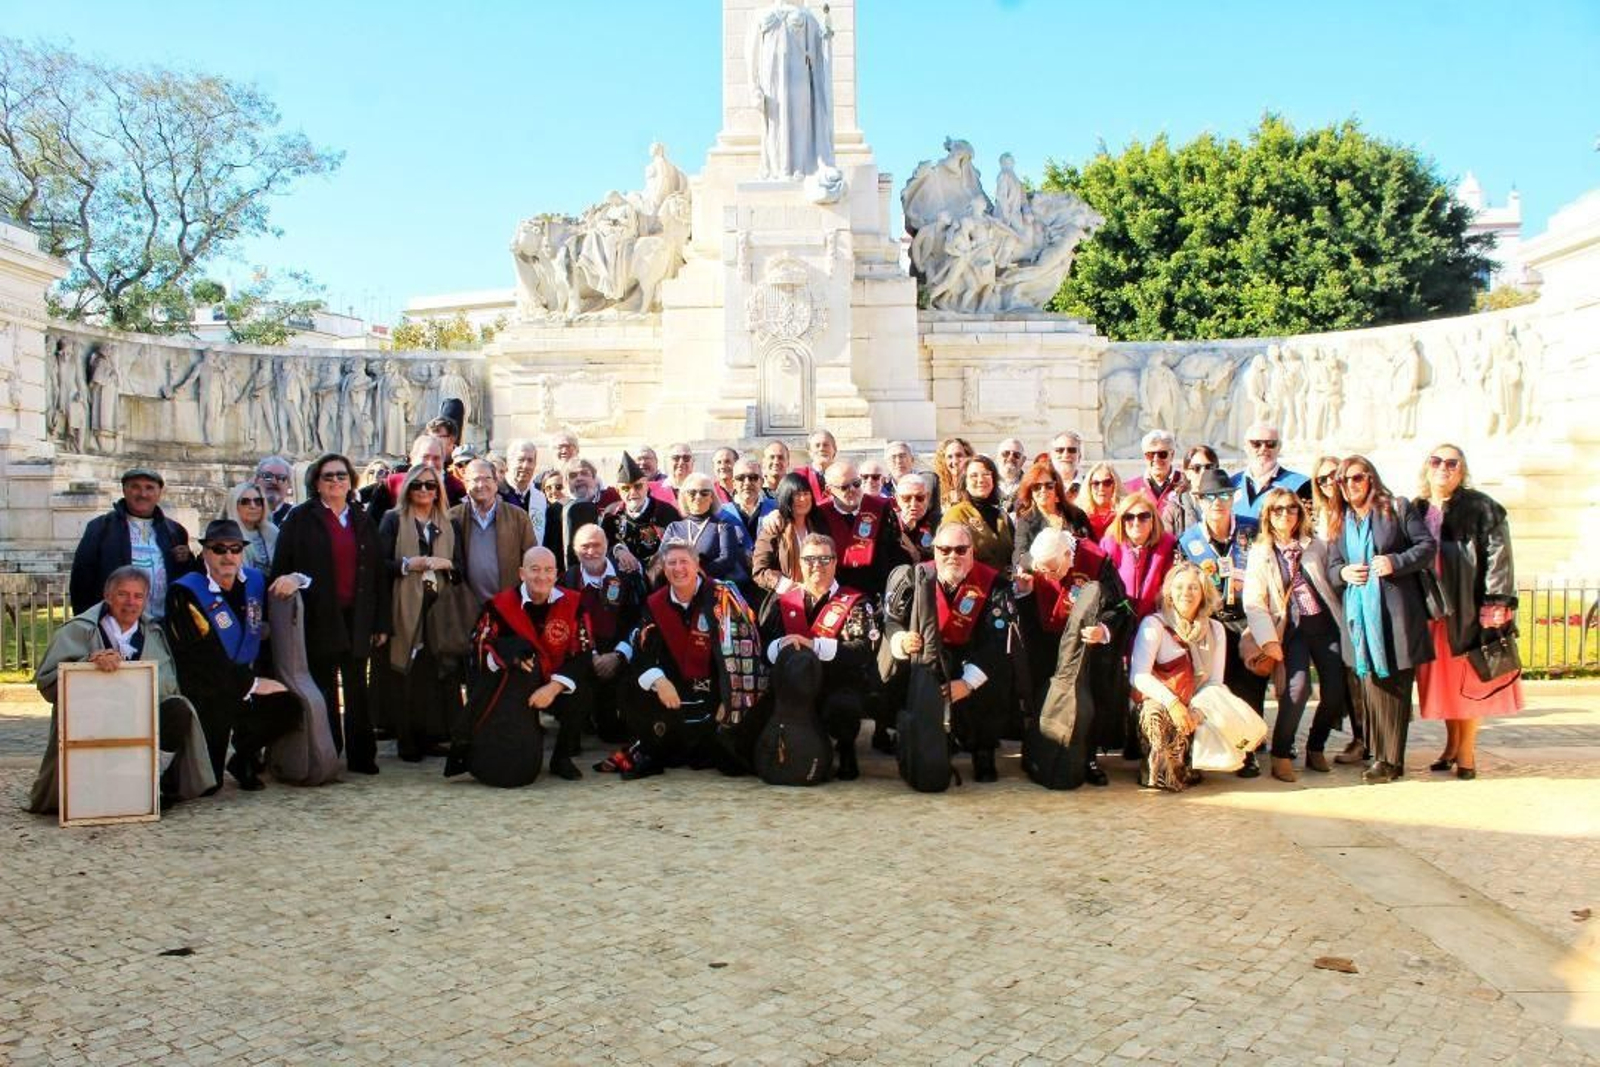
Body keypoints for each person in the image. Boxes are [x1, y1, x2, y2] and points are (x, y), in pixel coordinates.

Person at [26, 566, 215, 814]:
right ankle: (93, 788)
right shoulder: (80, 630)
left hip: (141, 717)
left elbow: (168, 685)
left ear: (146, 600)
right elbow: (48, 684)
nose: (130, 603)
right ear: (107, 596)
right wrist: (88, 664)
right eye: (122, 594)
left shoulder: (155, 633)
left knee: (178, 710)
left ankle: (149, 780)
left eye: (138, 596)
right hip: (95, 718)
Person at [270, 452, 384, 775]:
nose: (336, 482)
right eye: (328, 477)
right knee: (324, 688)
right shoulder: (300, 518)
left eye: (342, 476)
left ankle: (362, 756)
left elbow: (377, 575)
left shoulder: (362, 519)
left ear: (351, 482)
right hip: (319, 617)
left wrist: (381, 622)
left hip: (358, 616)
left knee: (357, 689)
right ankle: (327, 752)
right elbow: (284, 568)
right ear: (316, 483)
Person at [166, 520, 299, 791]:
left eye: (235, 549)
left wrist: (295, 578)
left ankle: (244, 757)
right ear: (205, 552)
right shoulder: (185, 591)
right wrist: (250, 684)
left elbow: (288, 593)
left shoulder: (255, 581)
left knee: (289, 706)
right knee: (208, 785)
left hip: (243, 677)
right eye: (219, 549)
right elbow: (198, 653)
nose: (228, 556)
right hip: (207, 688)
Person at [1414, 444, 1522, 780]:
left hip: (1469, 608)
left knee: (1468, 682)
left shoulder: (1481, 507)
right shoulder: (1416, 509)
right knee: (1445, 683)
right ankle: (1450, 744)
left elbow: (1499, 556)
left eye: (1452, 463)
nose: (1443, 468)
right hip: (1432, 610)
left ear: (1462, 470)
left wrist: (1497, 601)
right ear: (1426, 467)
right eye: (1436, 461)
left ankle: (1467, 752)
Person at [1327, 455, 1436, 785]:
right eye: (1343, 481)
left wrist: (1395, 561)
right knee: (1371, 687)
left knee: (1394, 688)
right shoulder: (1340, 522)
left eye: (1357, 478)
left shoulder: (1396, 508)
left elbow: (1427, 546)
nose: (1350, 486)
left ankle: (1391, 759)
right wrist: (1344, 572)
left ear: (1371, 478)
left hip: (1395, 614)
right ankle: (1381, 754)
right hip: (1360, 618)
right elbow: (1333, 567)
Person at [881, 523, 1017, 783]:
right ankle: (913, 737)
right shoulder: (915, 577)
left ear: (972, 552)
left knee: (995, 675)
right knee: (894, 666)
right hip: (926, 655)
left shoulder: (995, 585)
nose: (952, 556)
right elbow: (891, 620)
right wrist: (901, 640)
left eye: (960, 549)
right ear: (934, 550)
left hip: (971, 657)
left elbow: (997, 641)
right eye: (944, 549)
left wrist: (968, 682)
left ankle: (982, 750)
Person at [625, 540, 767, 779]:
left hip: (716, 690)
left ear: (697, 564)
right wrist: (659, 681)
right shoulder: (655, 603)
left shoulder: (723, 597)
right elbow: (643, 650)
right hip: (674, 689)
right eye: (672, 563)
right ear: (663, 566)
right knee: (631, 687)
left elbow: (747, 650)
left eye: (684, 562)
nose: (678, 568)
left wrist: (730, 698)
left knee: (727, 759)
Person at [456, 547, 592, 784]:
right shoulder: (499, 606)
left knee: (583, 689)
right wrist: (503, 656)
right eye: (535, 569)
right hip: (514, 685)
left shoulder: (573, 603)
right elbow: (478, 644)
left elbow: (584, 652)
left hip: (556, 681)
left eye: (549, 570)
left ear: (557, 574)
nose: (542, 576)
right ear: (521, 573)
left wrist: (554, 687)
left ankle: (562, 757)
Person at [1243, 487, 1349, 781]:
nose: (1285, 514)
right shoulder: (1261, 552)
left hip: (1324, 625)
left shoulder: (1317, 545)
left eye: (1291, 508)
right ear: (1268, 515)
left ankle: (1316, 746)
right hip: (1292, 631)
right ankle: (1281, 753)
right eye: (1278, 509)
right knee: (1298, 688)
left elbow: (1332, 579)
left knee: (1336, 689)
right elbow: (1254, 600)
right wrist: (1268, 640)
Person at [758, 533, 881, 780]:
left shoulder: (855, 601)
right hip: (790, 688)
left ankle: (845, 749)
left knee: (843, 707)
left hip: (836, 683)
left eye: (825, 559)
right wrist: (782, 644)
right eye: (810, 559)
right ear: (800, 563)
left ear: (835, 562)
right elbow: (762, 647)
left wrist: (814, 646)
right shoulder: (782, 601)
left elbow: (862, 650)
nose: (817, 565)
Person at [1014, 527, 1128, 787]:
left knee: (1088, 702)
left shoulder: (1097, 561)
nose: (1048, 576)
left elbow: (1121, 606)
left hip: (1086, 642)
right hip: (1045, 639)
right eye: (1043, 569)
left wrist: (1103, 630)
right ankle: (1041, 752)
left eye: (1053, 569)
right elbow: (1021, 604)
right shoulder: (1034, 562)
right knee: (1043, 696)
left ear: (1068, 555)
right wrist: (1023, 591)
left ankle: (1087, 758)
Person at [1175, 468, 1270, 775]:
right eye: (1211, 497)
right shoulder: (1189, 539)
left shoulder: (1252, 530)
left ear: (1234, 498)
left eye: (1225, 496)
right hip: (1210, 619)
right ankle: (1210, 747)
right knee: (1211, 685)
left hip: (1247, 616)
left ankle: (1249, 748)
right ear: (1199, 501)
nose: (1218, 503)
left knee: (1250, 684)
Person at [378, 464, 462, 762]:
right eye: (418, 485)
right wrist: (407, 565)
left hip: (437, 605)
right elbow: (379, 565)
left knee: (431, 673)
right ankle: (406, 740)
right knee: (404, 673)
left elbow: (460, 566)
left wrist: (445, 564)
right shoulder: (392, 520)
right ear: (407, 489)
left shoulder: (448, 522)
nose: (424, 490)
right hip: (404, 605)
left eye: (430, 485)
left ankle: (429, 736)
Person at [1129, 563, 1227, 791]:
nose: (1186, 593)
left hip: (1197, 702)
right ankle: (1159, 773)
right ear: (1169, 593)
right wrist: (1173, 703)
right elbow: (1139, 675)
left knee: (1214, 710)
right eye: (1180, 587)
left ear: (1203, 592)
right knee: (1155, 713)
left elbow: (1215, 683)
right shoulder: (1154, 625)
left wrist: (1197, 711)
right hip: (1163, 701)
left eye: (1194, 587)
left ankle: (1190, 764)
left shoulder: (1216, 630)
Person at [560, 524, 647, 744]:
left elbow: (640, 620)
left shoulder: (627, 576)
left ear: (607, 546)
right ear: (574, 549)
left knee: (614, 731)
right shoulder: (568, 581)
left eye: (597, 545)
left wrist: (618, 655)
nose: (591, 551)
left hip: (620, 655)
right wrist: (592, 655)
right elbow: (565, 625)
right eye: (585, 546)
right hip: (583, 654)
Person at [69, 467, 195, 619]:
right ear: (124, 490)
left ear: (159, 493)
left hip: (164, 625)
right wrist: (86, 624)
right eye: (135, 487)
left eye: (149, 488)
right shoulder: (101, 528)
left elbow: (185, 579)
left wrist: (187, 560)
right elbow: (81, 580)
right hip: (114, 624)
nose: (143, 494)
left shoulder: (175, 531)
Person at [452, 459, 537, 610]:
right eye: (475, 479)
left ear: (496, 483)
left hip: (509, 606)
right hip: (466, 608)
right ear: (465, 485)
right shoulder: (453, 518)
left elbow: (532, 559)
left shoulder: (518, 517)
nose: (481, 485)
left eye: (487, 478)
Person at [817, 458, 904, 597]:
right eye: (844, 487)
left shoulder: (881, 509)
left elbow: (895, 553)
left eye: (856, 484)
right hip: (838, 594)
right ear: (829, 490)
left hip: (879, 591)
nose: (852, 490)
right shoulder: (819, 515)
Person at [662, 473, 749, 588]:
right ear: (684, 497)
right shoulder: (674, 528)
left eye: (704, 493)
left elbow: (727, 560)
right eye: (692, 492)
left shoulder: (723, 526)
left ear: (711, 498)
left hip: (712, 591)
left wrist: (695, 574)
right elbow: (662, 558)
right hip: (679, 589)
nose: (698, 497)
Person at [752, 471, 829, 597]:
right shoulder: (774, 528)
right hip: (787, 600)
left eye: (806, 493)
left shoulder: (819, 525)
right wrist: (786, 585)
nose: (803, 499)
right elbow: (760, 571)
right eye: (796, 495)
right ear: (786, 497)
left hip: (819, 595)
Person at [605, 452, 681, 574]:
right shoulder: (611, 515)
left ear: (647, 486)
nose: (633, 492)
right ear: (618, 491)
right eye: (626, 488)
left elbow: (677, 550)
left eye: (638, 486)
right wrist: (617, 550)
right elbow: (603, 546)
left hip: (660, 576)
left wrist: (643, 566)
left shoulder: (666, 512)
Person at [1011, 459, 1092, 573]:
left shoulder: (1076, 515)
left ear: (1057, 489)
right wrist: (1037, 564)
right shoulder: (1026, 521)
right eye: (1037, 487)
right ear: (1030, 493)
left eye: (1049, 485)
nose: (1043, 490)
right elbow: (1019, 555)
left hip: (1077, 578)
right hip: (1044, 580)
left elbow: (1092, 546)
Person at [942, 455, 1014, 572]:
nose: (981, 480)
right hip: (974, 586)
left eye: (986, 474)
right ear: (965, 482)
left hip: (1006, 586)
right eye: (973, 476)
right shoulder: (956, 515)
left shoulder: (1002, 515)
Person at [1232, 422, 1311, 521]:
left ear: (1279, 447)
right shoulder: (1232, 484)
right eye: (1256, 444)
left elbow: (1307, 527)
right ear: (1246, 447)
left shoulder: (1302, 485)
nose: (1263, 448)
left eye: (1270, 444)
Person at [1124, 429, 1187, 535]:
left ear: (1172, 455)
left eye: (1162, 454)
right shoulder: (1129, 489)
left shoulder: (1186, 484)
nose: (1156, 459)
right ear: (1145, 457)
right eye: (1150, 455)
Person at [720, 455, 777, 552]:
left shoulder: (776, 508)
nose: (747, 482)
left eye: (753, 477)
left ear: (762, 482)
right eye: (741, 478)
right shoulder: (722, 514)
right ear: (734, 483)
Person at [499, 438, 549, 543]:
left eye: (530, 460)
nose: (526, 466)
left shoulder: (540, 498)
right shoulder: (495, 493)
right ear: (509, 463)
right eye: (520, 460)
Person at [224, 482, 278, 574]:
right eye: (245, 502)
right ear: (234, 505)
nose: (253, 506)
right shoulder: (225, 536)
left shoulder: (273, 533)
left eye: (258, 501)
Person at [888, 473, 939, 565]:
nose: (913, 504)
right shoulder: (889, 525)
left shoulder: (939, 524)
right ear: (897, 499)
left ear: (927, 497)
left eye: (920, 498)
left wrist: (918, 557)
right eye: (906, 498)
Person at [1171, 445, 1221, 535]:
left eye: (1209, 467)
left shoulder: (1227, 502)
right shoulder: (1174, 507)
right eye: (1196, 468)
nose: (1203, 472)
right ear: (1187, 473)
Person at [1081, 462, 1121, 541]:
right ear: (1089, 487)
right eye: (1096, 483)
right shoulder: (1079, 516)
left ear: (1115, 485)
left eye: (1107, 483)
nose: (1101, 488)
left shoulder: (1125, 514)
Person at [794, 429, 838, 500]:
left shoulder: (845, 475)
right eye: (817, 445)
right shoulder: (800, 476)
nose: (821, 449)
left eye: (825, 445)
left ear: (834, 449)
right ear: (810, 452)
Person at [1309, 455, 1343, 542]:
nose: (1330, 482)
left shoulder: (1360, 508)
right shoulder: (1323, 514)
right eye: (1322, 479)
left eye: (1334, 474)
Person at [933, 436, 974, 509]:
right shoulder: (937, 490)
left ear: (968, 457)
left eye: (959, 455)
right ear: (943, 461)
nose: (955, 461)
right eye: (949, 457)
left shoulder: (975, 486)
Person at [255, 456, 296, 526]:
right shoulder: (242, 516)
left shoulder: (299, 517)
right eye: (267, 476)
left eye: (281, 477)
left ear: (289, 484)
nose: (273, 482)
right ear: (256, 481)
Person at [1048, 431, 1084, 497]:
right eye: (1060, 450)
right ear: (1051, 456)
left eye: (1072, 450)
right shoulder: (1041, 486)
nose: (1066, 455)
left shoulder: (1092, 485)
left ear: (1079, 456)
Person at [996, 438, 1027, 508]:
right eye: (1005, 454)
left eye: (1016, 455)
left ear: (1023, 460)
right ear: (997, 457)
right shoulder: (987, 482)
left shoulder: (1029, 485)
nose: (1010, 458)